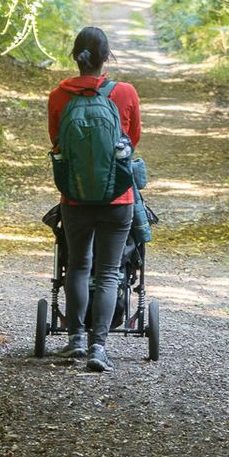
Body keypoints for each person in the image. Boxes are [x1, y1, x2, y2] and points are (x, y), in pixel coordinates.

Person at [47, 26, 142, 372]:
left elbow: (57, 142)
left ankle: (74, 342)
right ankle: (98, 348)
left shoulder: (59, 95)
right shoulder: (126, 92)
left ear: (76, 56)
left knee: (78, 265)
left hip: (75, 197)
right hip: (119, 197)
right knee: (108, 272)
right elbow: (132, 139)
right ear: (106, 57)